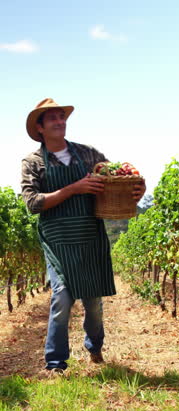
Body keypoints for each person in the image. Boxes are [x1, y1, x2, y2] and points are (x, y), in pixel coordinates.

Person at [21, 98, 146, 373]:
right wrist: (72, 189)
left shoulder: (88, 155)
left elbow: (117, 178)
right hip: (58, 241)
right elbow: (32, 203)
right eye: (52, 118)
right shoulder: (33, 163)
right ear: (40, 128)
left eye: (61, 116)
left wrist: (137, 186)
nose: (59, 121)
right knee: (61, 299)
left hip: (89, 235)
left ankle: (95, 346)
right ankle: (56, 363)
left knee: (93, 302)